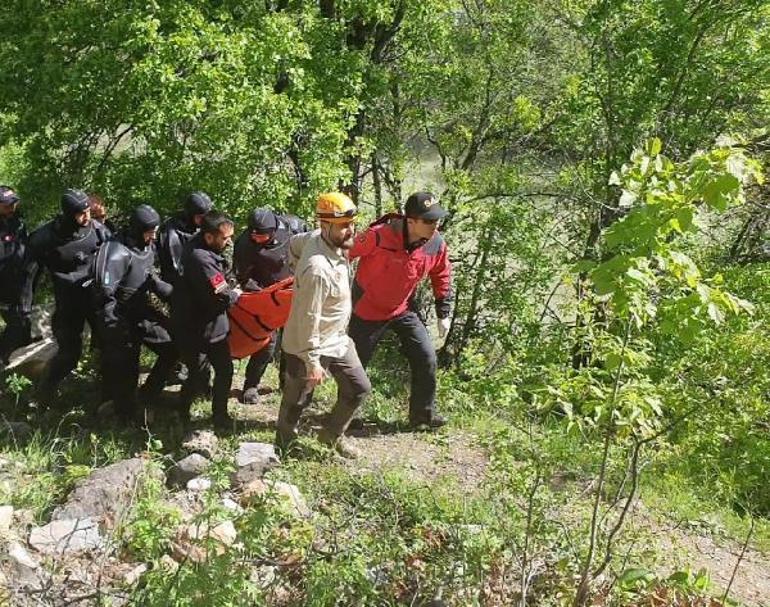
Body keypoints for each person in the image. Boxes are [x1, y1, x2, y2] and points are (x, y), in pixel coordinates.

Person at [278, 192, 371, 458]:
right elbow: (309, 317)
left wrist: (294, 267)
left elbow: (293, 244)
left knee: (358, 389)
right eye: (343, 226)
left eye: (352, 223)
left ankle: (330, 434)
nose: (349, 230)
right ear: (325, 225)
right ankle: (284, 447)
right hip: (307, 345)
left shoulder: (316, 240)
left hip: (338, 340)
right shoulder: (317, 269)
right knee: (297, 401)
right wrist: (312, 361)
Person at [348, 191, 452, 429]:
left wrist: (443, 312)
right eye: (428, 220)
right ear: (410, 220)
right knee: (354, 366)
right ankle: (348, 415)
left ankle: (422, 417)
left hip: (402, 309)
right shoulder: (378, 236)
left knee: (426, 357)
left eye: (436, 220)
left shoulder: (436, 243)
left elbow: (442, 274)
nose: (434, 225)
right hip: (367, 310)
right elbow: (344, 254)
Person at [92, 204, 177, 425]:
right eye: (150, 230)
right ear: (138, 229)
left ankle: (148, 393)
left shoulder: (147, 246)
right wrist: (113, 327)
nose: (154, 235)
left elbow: (148, 277)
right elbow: (103, 293)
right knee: (127, 369)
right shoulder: (116, 251)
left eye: (155, 230)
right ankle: (124, 413)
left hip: (143, 311)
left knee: (172, 348)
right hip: (120, 317)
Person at [23, 188, 111, 395]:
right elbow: (29, 276)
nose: (87, 216)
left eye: (89, 211)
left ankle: (106, 395)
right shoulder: (44, 238)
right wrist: (24, 307)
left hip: (96, 300)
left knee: (109, 346)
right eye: (81, 213)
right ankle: (43, 396)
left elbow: (114, 265)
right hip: (68, 305)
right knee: (69, 355)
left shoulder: (100, 232)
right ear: (68, 213)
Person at [172, 210, 241, 429]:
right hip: (195, 327)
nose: (229, 242)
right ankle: (181, 412)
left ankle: (220, 416)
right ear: (209, 237)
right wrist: (235, 294)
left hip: (213, 325)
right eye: (225, 238)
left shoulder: (203, 246)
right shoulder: (201, 258)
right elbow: (221, 291)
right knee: (196, 375)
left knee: (225, 370)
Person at [232, 208, 304, 404]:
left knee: (292, 340)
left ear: (273, 231)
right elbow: (243, 278)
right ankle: (251, 385)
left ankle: (286, 382)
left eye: (261, 236)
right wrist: (264, 296)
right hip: (263, 296)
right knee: (267, 344)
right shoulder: (244, 244)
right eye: (253, 235)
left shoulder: (294, 229)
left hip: (291, 293)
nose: (257, 239)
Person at [0, 186, 31, 369]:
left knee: (21, 321)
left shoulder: (18, 222)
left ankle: (15, 359)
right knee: (16, 321)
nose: (12, 208)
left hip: (17, 282)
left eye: (14, 203)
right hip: (2, 284)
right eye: (7, 205)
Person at [157, 191, 213, 285]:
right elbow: (177, 269)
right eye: (200, 217)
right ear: (190, 215)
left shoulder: (203, 227)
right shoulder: (172, 232)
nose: (204, 221)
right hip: (181, 287)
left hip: (202, 279)